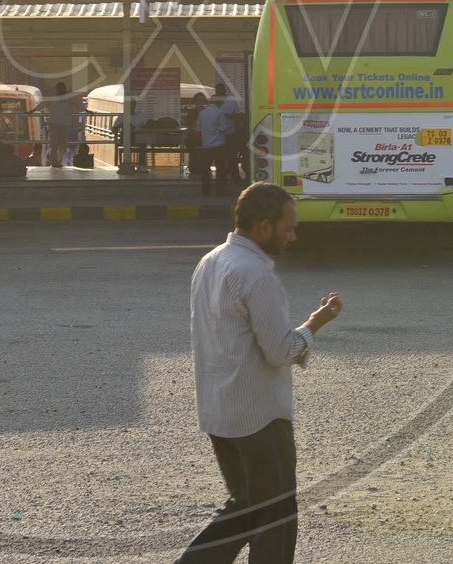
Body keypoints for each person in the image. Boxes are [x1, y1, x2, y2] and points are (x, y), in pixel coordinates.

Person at [179, 182, 343, 564]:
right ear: (264, 226)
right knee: (275, 519)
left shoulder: (212, 260)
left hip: (220, 411)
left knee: (247, 508)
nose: (293, 237)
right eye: (288, 229)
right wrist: (315, 323)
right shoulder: (256, 275)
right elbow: (281, 351)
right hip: (259, 418)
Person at [194, 91, 230, 196]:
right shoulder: (219, 113)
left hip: (206, 145)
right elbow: (224, 128)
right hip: (219, 145)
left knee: (205, 169)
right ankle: (220, 190)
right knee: (220, 168)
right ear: (219, 103)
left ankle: (205, 190)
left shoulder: (202, 113)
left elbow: (198, 129)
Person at [45, 80, 77, 168]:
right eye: (59, 88)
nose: (61, 90)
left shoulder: (68, 97)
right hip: (53, 123)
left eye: (62, 88)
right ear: (57, 89)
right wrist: (33, 110)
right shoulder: (52, 97)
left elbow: (77, 104)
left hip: (64, 123)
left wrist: (85, 111)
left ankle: (59, 161)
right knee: (53, 144)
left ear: (64, 89)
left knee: (62, 144)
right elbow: (42, 103)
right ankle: (53, 162)